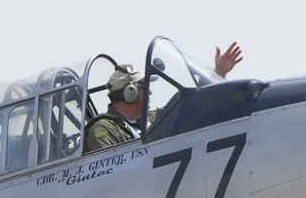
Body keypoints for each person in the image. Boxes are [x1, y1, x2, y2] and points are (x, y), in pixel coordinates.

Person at [84, 43, 245, 154]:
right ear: (130, 93)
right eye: (145, 88)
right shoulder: (104, 129)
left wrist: (217, 73)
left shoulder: (151, 120)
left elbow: (186, 109)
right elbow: (107, 176)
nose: (150, 93)